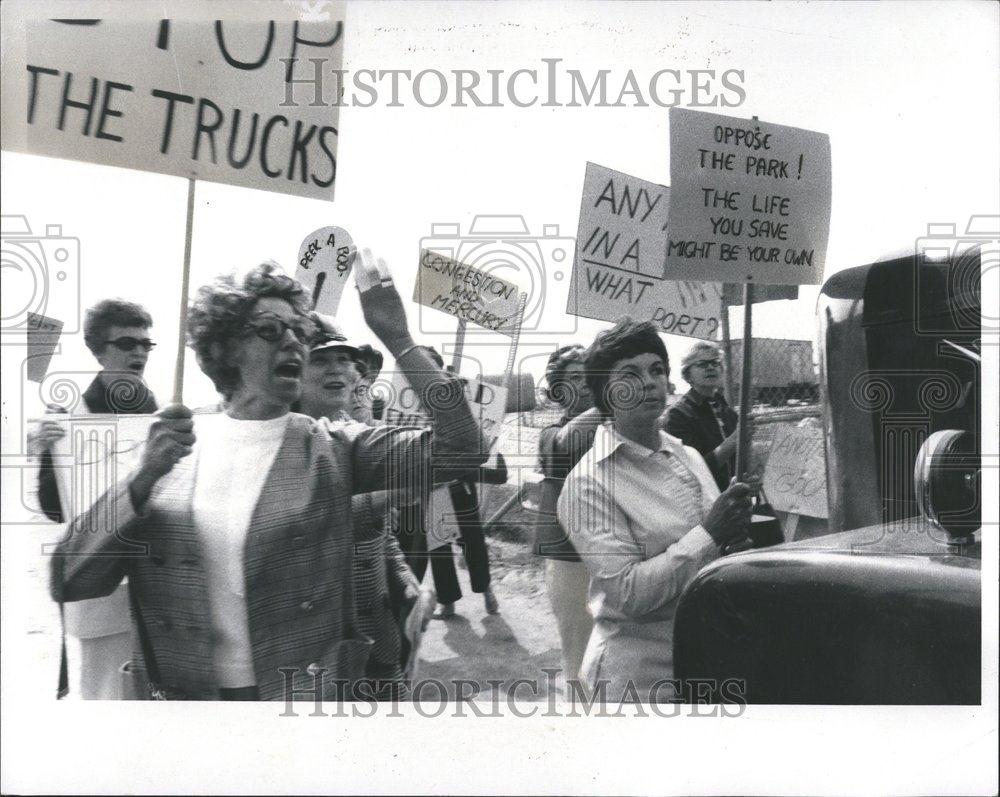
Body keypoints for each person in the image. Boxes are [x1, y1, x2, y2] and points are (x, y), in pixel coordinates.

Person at [50, 254, 485, 700]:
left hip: (297, 704)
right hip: (187, 707)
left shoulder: (333, 447)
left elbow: (462, 449)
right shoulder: (171, 441)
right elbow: (70, 579)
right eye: (270, 330)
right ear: (222, 349)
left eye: (299, 330)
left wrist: (399, 338)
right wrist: (141, 480)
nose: (293, 342)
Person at [557, 319, 752, 702]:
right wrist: (711, 533)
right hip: (639, 682)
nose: (649, 382)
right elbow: (627, 594)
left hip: (709, 661)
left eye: (656, 370)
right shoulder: (587, 484)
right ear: (604, 393)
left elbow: (712, 552)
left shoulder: (688, 455)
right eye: (630, 373)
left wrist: (733, 539)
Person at [28, 298, 158, 699]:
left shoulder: (157, 410)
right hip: (99, 582)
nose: (138, 352)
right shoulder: (70, 411)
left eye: (145, 345)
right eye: (126, 343)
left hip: (153, 581)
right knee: (102, 699)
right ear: (98, 350)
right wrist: (50, 452)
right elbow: (54, 508)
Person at [298, 321, 430, 698]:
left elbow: (380, 533)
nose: (337, 369)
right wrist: (386, 497)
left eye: (345, 359)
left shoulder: (354, 435)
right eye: (321, 360)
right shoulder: (288, 437)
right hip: (321, 622)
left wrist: (404, 576)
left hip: (375, 615)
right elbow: (308, 519)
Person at [394, 346, 504, 618]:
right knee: (438, 546)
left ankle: (485, 587)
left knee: (472, 542)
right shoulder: (403, 404)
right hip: (428, 487)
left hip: (458, 483)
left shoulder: (459, 400)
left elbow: (488, 454)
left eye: (425, 366)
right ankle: (448, 600)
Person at [533, 344, 601, 684]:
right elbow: (564, 442)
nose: (586, 383)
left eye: (591, 375)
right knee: (578, 648)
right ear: (558, 388)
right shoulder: (550, 434)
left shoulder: (611, 429)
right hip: (570, 554)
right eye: (575, 377)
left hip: (612, 546)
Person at [663, 341, 739, 492]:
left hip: (734, 498)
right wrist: (735, 440)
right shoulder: (678, 415)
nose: (710, 367)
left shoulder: (726, 411)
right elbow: (693, 471)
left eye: (715, 363)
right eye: (702, 364)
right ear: (687, 375)